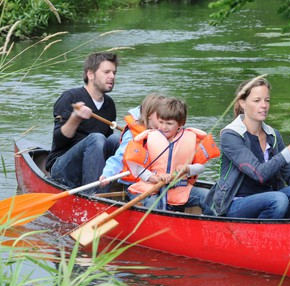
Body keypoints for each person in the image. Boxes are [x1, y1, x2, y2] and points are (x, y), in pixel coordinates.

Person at [203, 76, 290, 219]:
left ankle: (289, 235)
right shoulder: (231, 135)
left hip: (269, 198)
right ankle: (266, 238)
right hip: (233, 204)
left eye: (267, 100)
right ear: (242, 103)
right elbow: (259, 174)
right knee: (278, 199)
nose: (264, 105)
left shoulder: (273, 135)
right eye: (257, 101)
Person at [45, 52, 120, 193]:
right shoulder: (70, 97)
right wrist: (76, 118)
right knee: (96, 138)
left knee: (118, 139)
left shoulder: (109, 104)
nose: (112, 76)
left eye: (114, 72)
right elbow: (59, 140)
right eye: (106, 72)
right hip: (63, 168)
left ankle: (129, 189)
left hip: (93, 167)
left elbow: (108, 143)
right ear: (90, 74)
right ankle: (93, 197)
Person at [126, 97, 215, 211]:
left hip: (179, 190)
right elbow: (136, 168)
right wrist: (154, 178)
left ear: (181, 123)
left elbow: (201, 167)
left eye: (169, 123)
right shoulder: (147, 138)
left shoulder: (191, 138)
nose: (163, 127)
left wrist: (187, 168)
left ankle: (211, 226)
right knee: (154, 205)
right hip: (151, 188)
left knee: (208, 196)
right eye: (161, 122)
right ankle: (155, 226)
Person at [99, 93, 168, 189]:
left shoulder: (166, 131)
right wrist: (107, 175)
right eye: (160, 115)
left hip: (158, 178)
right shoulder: (133, 135)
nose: (164, 118)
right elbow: (119, 157)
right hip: (135, 183)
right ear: (149, 115)